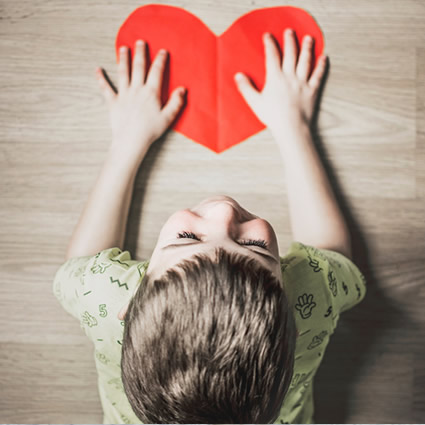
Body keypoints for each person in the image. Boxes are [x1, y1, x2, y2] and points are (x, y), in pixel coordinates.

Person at [53, 28, 367, 424]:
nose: (223, 211)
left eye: (187, 238)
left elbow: (80, 264)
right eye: (254, 247)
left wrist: (127, 142)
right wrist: (294, 126)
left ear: (129, 306)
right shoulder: (308, 302)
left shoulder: (105, 298)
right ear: (290, 300)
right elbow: (333, 256)